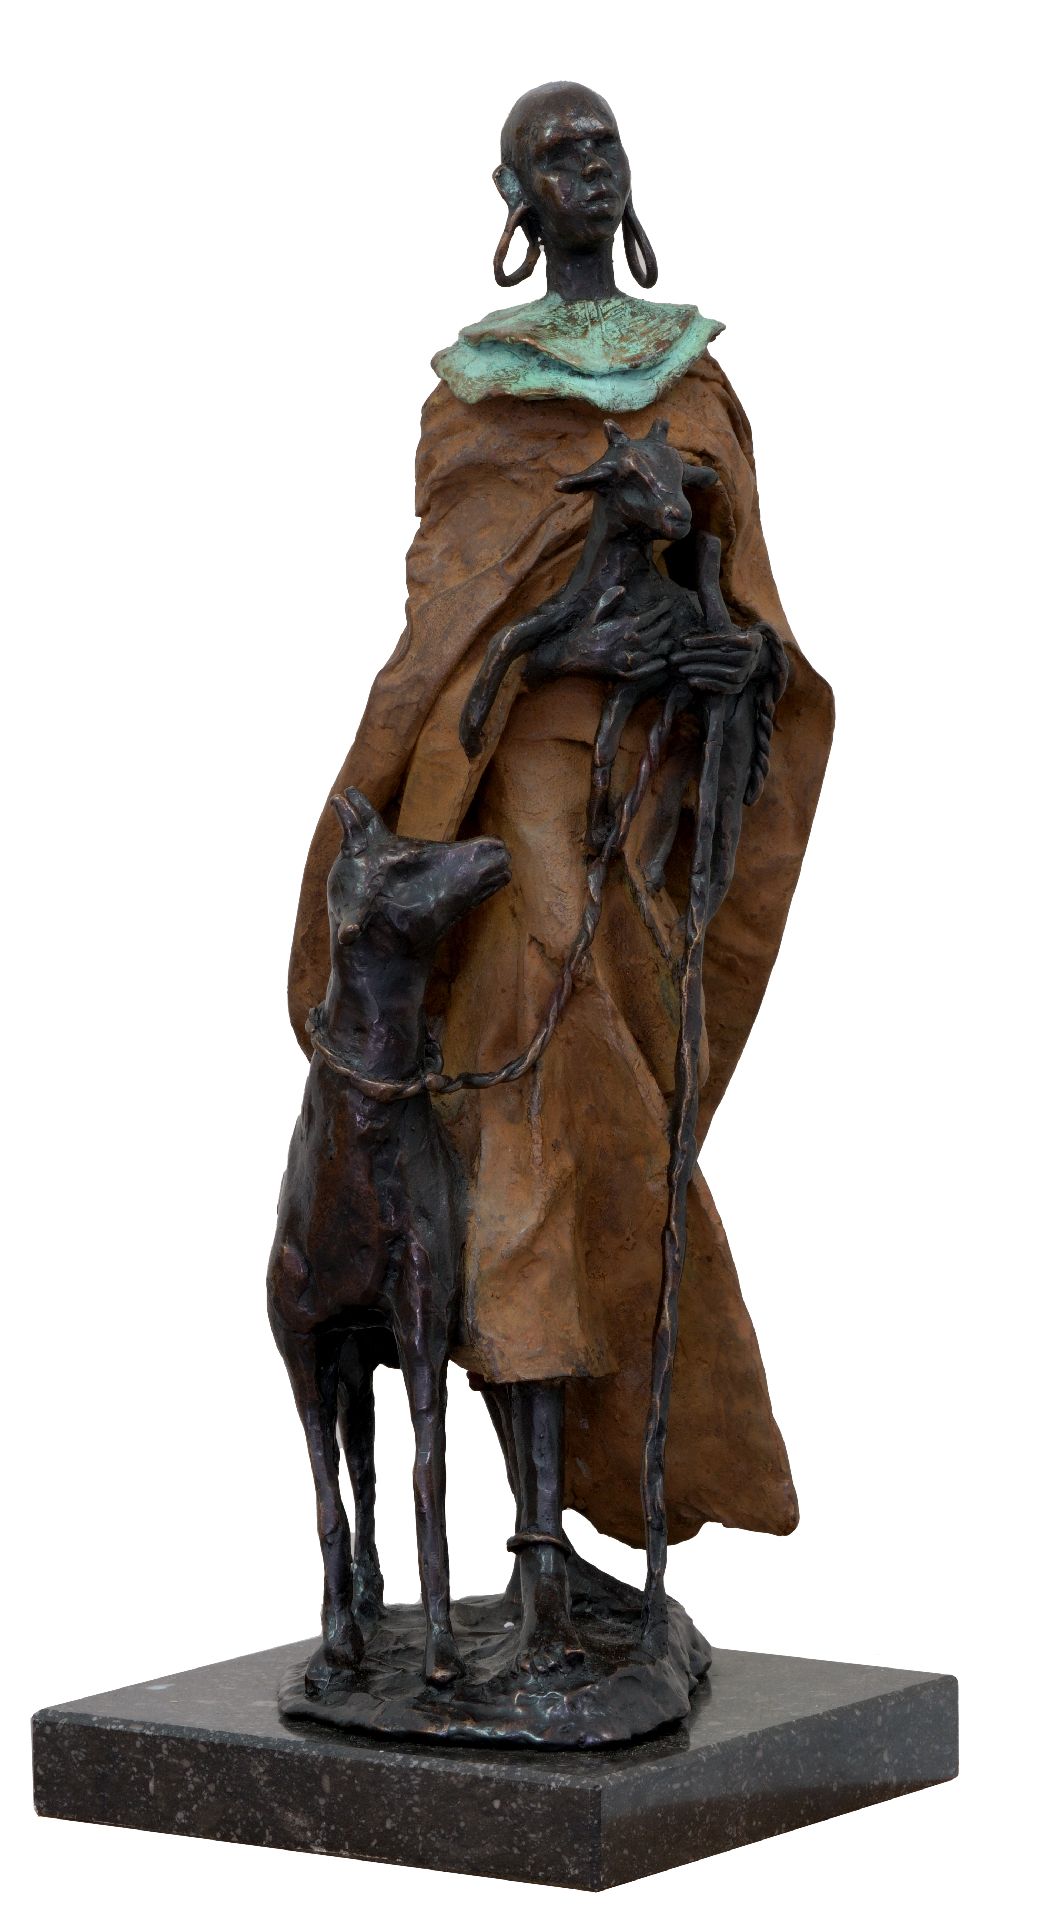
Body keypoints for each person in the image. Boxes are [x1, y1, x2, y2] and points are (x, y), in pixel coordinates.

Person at [288, 83, 834, 1673]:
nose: (586, 168)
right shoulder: (472, 394)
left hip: (654, 797)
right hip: (523, 767)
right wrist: (566, 637)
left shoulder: (696, 377)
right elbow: (449, 610)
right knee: (533, 1084)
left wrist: (720, 656)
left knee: (628, 1121)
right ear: (513, 196)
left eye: (601, 146)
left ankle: (586, 1532)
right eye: (555, 154)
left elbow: (748, 607)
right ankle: (534, 1547)